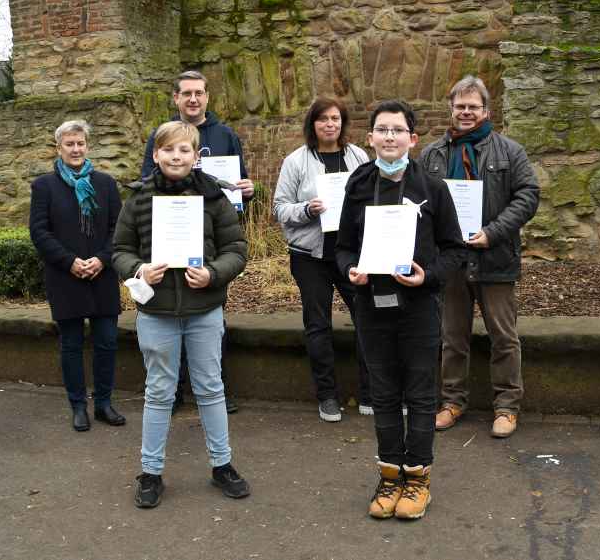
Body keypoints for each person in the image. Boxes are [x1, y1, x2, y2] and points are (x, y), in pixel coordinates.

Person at [336, 100, 462, 520]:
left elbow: (454, 252)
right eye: (381, 130)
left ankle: (418, 479)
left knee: (421, 395)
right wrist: (350, 270)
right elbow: (342, 248)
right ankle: (390, 476)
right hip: (371, 306)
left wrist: (426, 277)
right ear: (369, 138)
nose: (389, 137)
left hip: (418, 308)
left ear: (413, 138)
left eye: (397, 130)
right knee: (384, 393)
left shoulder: (433, 187)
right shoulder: (357, 185)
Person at [115, 120, 250, 509]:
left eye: (185, 150)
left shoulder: (213, 198)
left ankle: (221, 465)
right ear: (156, 155)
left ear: (196, 156)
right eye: (169, 150)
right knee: (159, 391)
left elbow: (236, 249)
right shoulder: (138, 199)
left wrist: (213, 273)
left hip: (204, 309)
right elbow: (120, 249)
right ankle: (150, 472)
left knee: (211, 389)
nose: (177, 156)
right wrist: (138, 269)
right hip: (156, 312)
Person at [419, 76, 540, 439]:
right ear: (451, 109)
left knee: (503, 336)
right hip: (450, 261)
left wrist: (493, 231)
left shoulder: (509, 151)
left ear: (486, 110)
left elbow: (528, 196)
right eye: (460, 106)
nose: (466, 112)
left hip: (495, 255)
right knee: (451, 336)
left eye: (473, 107)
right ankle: (452, 401)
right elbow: (419, 201)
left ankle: (506, 407)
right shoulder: (431, 155)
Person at [140, 70, 253, 414]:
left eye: (199, 93)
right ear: (175, 98)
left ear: (207, 97)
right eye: (186, 93)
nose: (193, 99)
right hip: (170, 235)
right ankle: (172, 393)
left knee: (212, 318)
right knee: (170, 315)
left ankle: (215, 389)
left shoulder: (225, 135)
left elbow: (238, 185)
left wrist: (245, 191)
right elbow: (148, 181)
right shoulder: (161, 136)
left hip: (209, 243)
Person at [273, 99, 372, 422]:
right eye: (323, 119)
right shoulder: (296, 161)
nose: (330, 124)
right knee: (318, 325)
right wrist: (306, 209)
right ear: (312, 124)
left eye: (335, 119)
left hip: (351, 255)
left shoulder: (358, 156)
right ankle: (327, 396)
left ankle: (371, 392)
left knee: (367, 320)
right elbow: (280, 208)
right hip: (310, 257)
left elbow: (373, 198)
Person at [29, 120, 125, 432]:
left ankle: (104, 403)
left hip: (102, 276)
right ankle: (78, 406)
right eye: (69, 144)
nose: (76, 149)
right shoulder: (44, 186)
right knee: (70, 344)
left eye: (80, 143)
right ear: (58, 148)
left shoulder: (106, 184)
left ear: (87, 145)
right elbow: (40, 232)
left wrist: (101, 259)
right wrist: (70, 261)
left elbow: (118, 229)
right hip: (64, 277)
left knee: (107, 342)